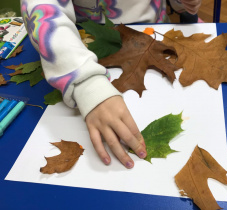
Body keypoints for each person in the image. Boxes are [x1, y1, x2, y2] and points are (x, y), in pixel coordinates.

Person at [21, 0, 202, 169]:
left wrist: (181, 3)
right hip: (81, 41)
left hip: (155, 30)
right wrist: (87, 83)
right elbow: (41, 9)